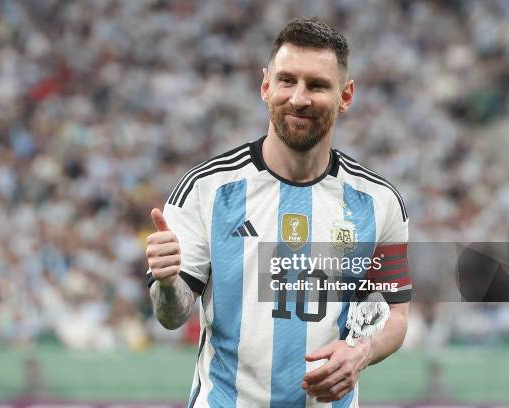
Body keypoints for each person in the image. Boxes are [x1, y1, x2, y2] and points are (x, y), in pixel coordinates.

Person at [145, 17, 410, 407]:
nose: (299, 98)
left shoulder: (378, 201)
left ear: (346, 95)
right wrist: (167, 284)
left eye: (317, 85)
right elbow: (172, 315)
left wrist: (361, 352)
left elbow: (394, 314)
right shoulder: (207, 189)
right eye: (287, 80)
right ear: (266, 85)